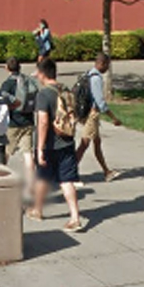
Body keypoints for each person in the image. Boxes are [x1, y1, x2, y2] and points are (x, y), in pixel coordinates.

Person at [34, 60, 86, 232]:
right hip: (67, 141)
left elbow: (43, 122)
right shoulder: (65, 90)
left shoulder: (44, 95)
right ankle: (75, 217)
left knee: (42, 177)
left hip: (50, 144)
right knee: (67, 180)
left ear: (42, 74)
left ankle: (37, 210)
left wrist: (40, 148)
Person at [74, 53, 124, 181]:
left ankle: (107, 171)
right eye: (107, 65)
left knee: (97, 143)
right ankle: (69, 172)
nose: (107, 68)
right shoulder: (96, 78)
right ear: (101, 63)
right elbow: (100, 102)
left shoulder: (88, 74)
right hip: (92, 114)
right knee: (84, 144)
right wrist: (113, 118)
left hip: (86, 113)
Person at [0, 58, 39, 213]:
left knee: (5, 154)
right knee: (28, 156)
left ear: (7, 68)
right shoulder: (27, 80)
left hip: (13, 123)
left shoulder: (7, 84)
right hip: (28, 122)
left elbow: (3, 104)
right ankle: (29, 191)